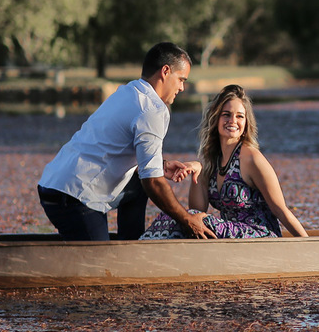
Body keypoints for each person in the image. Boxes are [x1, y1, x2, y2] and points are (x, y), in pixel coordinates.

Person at [37, 42, 216, 241]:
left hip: (50, 185)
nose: (182, 87)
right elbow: (154, 183)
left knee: (138, 184)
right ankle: (127, 253)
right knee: (102, 268)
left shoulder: (128, 92)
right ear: (165, 71)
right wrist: (187, 220)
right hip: (74, 198)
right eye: (181, 79)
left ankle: (131, 242)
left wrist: (160, 165)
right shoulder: (153, 110)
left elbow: (118, 150)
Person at [141, 84, 308, 239]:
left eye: (240, 116)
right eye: (226, 115)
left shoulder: (252, 158)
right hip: (230, 238)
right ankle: (141, 252)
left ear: (246, 123)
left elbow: (281, 210)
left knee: (201, 221)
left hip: (261, 236)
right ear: (216, 119)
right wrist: (198, 170)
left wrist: (308, 245)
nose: (233, 121)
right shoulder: (211, 160)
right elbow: (196, 212)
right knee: (175, 216)